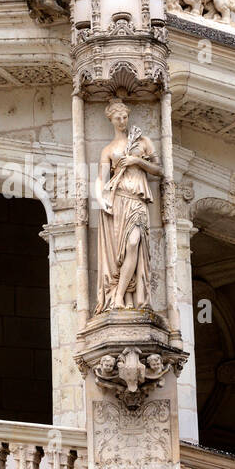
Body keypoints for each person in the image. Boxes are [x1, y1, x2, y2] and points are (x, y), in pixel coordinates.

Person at [95, 97, 162, 311]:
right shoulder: (108, 149)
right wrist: (100, 198)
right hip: (118, 202)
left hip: (137, 202)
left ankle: (122, 294)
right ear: (111, 120)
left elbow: (158, 170)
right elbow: (101, 179)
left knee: (134, 243)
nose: (122, 121)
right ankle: (119, 298)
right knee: (120, 254)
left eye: (125, 117)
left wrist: (137, 161)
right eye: (118, 118)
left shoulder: (142, 141)